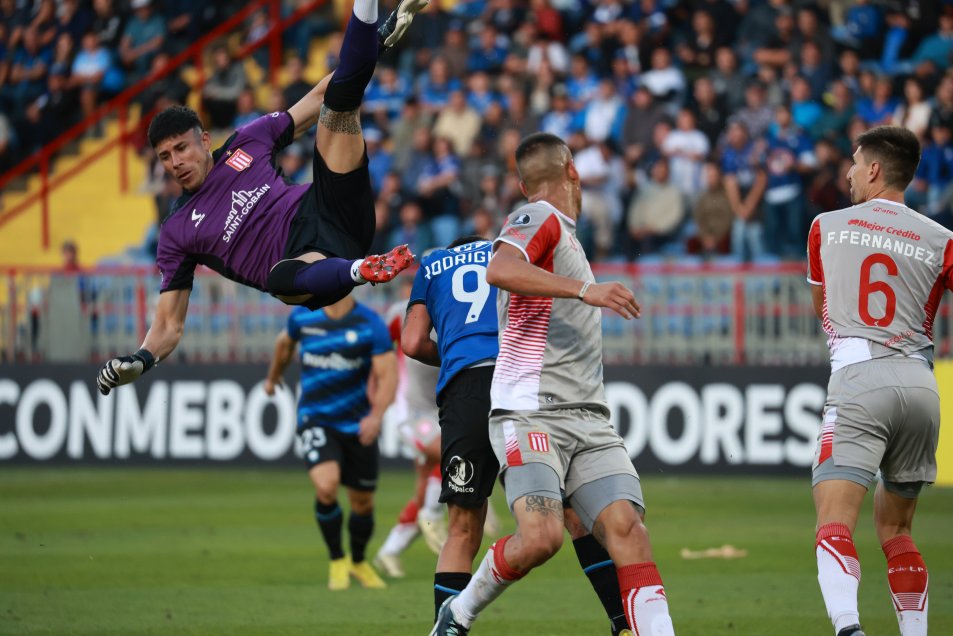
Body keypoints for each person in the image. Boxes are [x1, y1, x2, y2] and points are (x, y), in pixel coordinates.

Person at [94, 0, 429, 396]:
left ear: (204, 140)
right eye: (165, 157)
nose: (175, 162)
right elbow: (169, 323)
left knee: (340, 102)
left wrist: (379, 41)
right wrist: (141, 359)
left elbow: (320, 94)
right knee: (278, 279)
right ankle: (364, 269)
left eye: (181, 148)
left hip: (333, 209)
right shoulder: (176, 231)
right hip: (311, 266)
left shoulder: (247, 141)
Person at [430, 133, 675, 636]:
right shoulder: (538, 216)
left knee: (628, 530)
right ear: (574, 172)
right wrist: (586, 290)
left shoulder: (564, 236)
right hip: (532, 414)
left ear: (523, 181)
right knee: (542, 537)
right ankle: (459, 612)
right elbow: (500, 268)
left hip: (590, 419)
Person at [406, 235, 634, 636]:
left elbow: (412, 342)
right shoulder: (509, 254)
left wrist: (459, 355)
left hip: (467, 390)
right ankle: (623, 624)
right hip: (524, 381)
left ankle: (447, 629)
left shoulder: (432, 264)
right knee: (574, 513)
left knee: (462, 529)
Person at [806, 125, 953, 636]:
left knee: (834, 520)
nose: (848, 172)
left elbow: (824, 309)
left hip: (859, 379)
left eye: (854, 162)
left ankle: (849, 629)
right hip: (921, 386)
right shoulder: (941, 239)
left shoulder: (826, 226)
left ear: (873, 169)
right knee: (897, 529)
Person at [263, 294, 398, 590]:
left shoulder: (369, 323)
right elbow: (284, 344)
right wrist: (273, 377)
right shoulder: (303, 316)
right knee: (326, 486)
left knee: (363, 502)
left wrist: (376, 416)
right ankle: (337, 559)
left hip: (357, 423)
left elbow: (388, 374)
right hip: (316, 418)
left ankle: (358, 561)